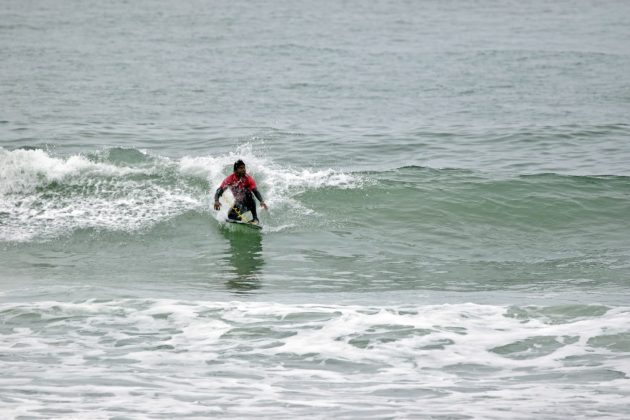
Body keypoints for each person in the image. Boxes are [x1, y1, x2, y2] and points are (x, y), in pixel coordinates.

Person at [213, 159, 268, 224]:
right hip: (239, 203)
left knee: (247, 192)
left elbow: (255, 191)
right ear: (235, 170)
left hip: (249, 203)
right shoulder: (230, 179)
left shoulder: (248, 179)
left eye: (244, 168)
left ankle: (255, 218)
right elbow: (220, 190)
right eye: (241, 168)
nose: (244, 170)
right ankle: (240, 219)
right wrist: (216, 201)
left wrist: (261, 201)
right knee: (231, 216)